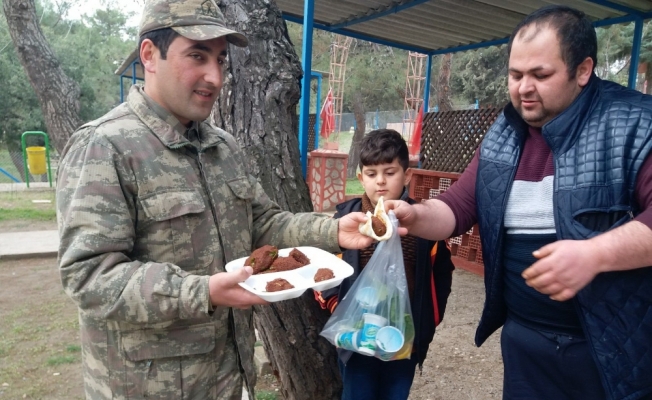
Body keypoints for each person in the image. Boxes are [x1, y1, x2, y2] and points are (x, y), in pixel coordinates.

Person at [55, 0, 372, 399]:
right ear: (150, 55)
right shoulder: (105, 146)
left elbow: (262, 224)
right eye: (197, 56)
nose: (215, 76)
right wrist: (201, 291)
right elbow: (88, 276)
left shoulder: (224, 147)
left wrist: (332, 230)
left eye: (220, 59)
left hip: (226, 376)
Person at [387, 5, 652, 400]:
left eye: (540, 75)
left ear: (583, 70)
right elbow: (460, 206)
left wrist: (596, 254)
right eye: (515, 75)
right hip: (525, 341)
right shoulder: (505, 133)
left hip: (610, 347)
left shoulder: (634, 123)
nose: (523, 88)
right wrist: (414, 213)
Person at [315, 129, 455, 400]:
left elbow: (441, 278)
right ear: (360, 177)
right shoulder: (346, 220)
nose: (380, 182)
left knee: (396, 394)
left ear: (407, 174)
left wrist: (426, 322)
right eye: (371, 174)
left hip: (403, 338)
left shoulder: (424, 226)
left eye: (390, 173)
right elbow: (324, 270)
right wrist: (336, 306)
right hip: (356, 339)